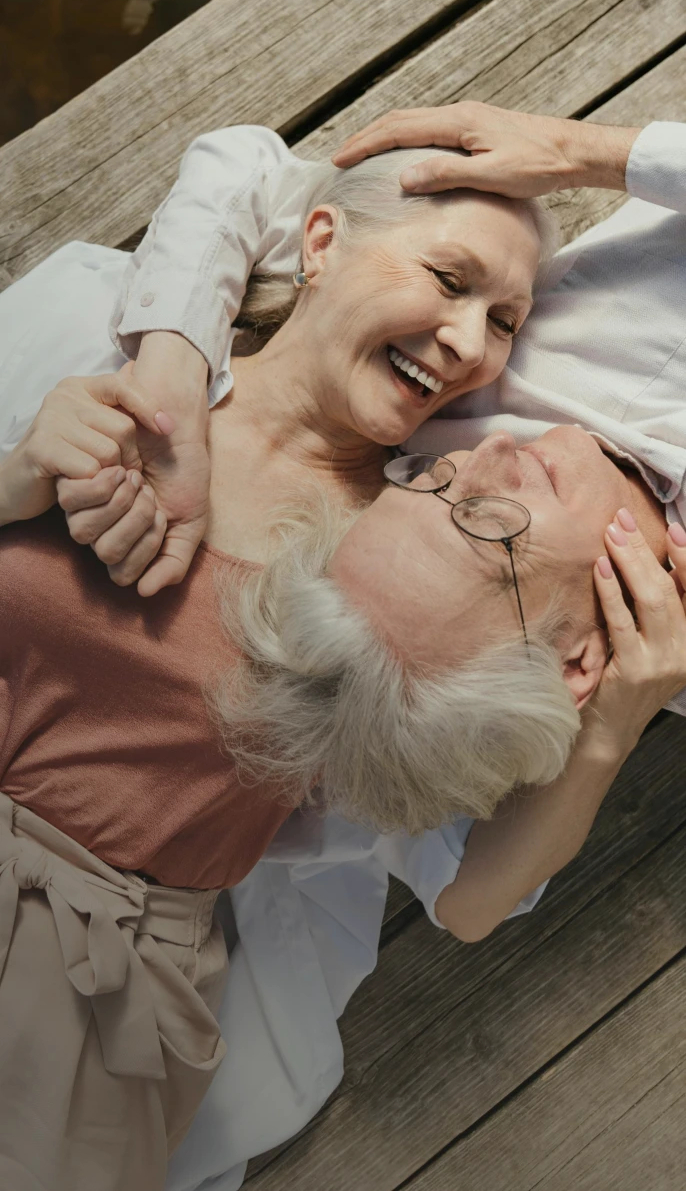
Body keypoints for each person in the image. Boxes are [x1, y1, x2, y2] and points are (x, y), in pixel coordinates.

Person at [2, 105, 686, 1191]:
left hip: (98, 965)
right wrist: (155, 387)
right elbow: (236, 162)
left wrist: (610, 722)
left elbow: (463, 889)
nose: (472, 344)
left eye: (505, 318)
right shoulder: (117, 350)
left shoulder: (411, 541)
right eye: (451, 282)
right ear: (315, 246)